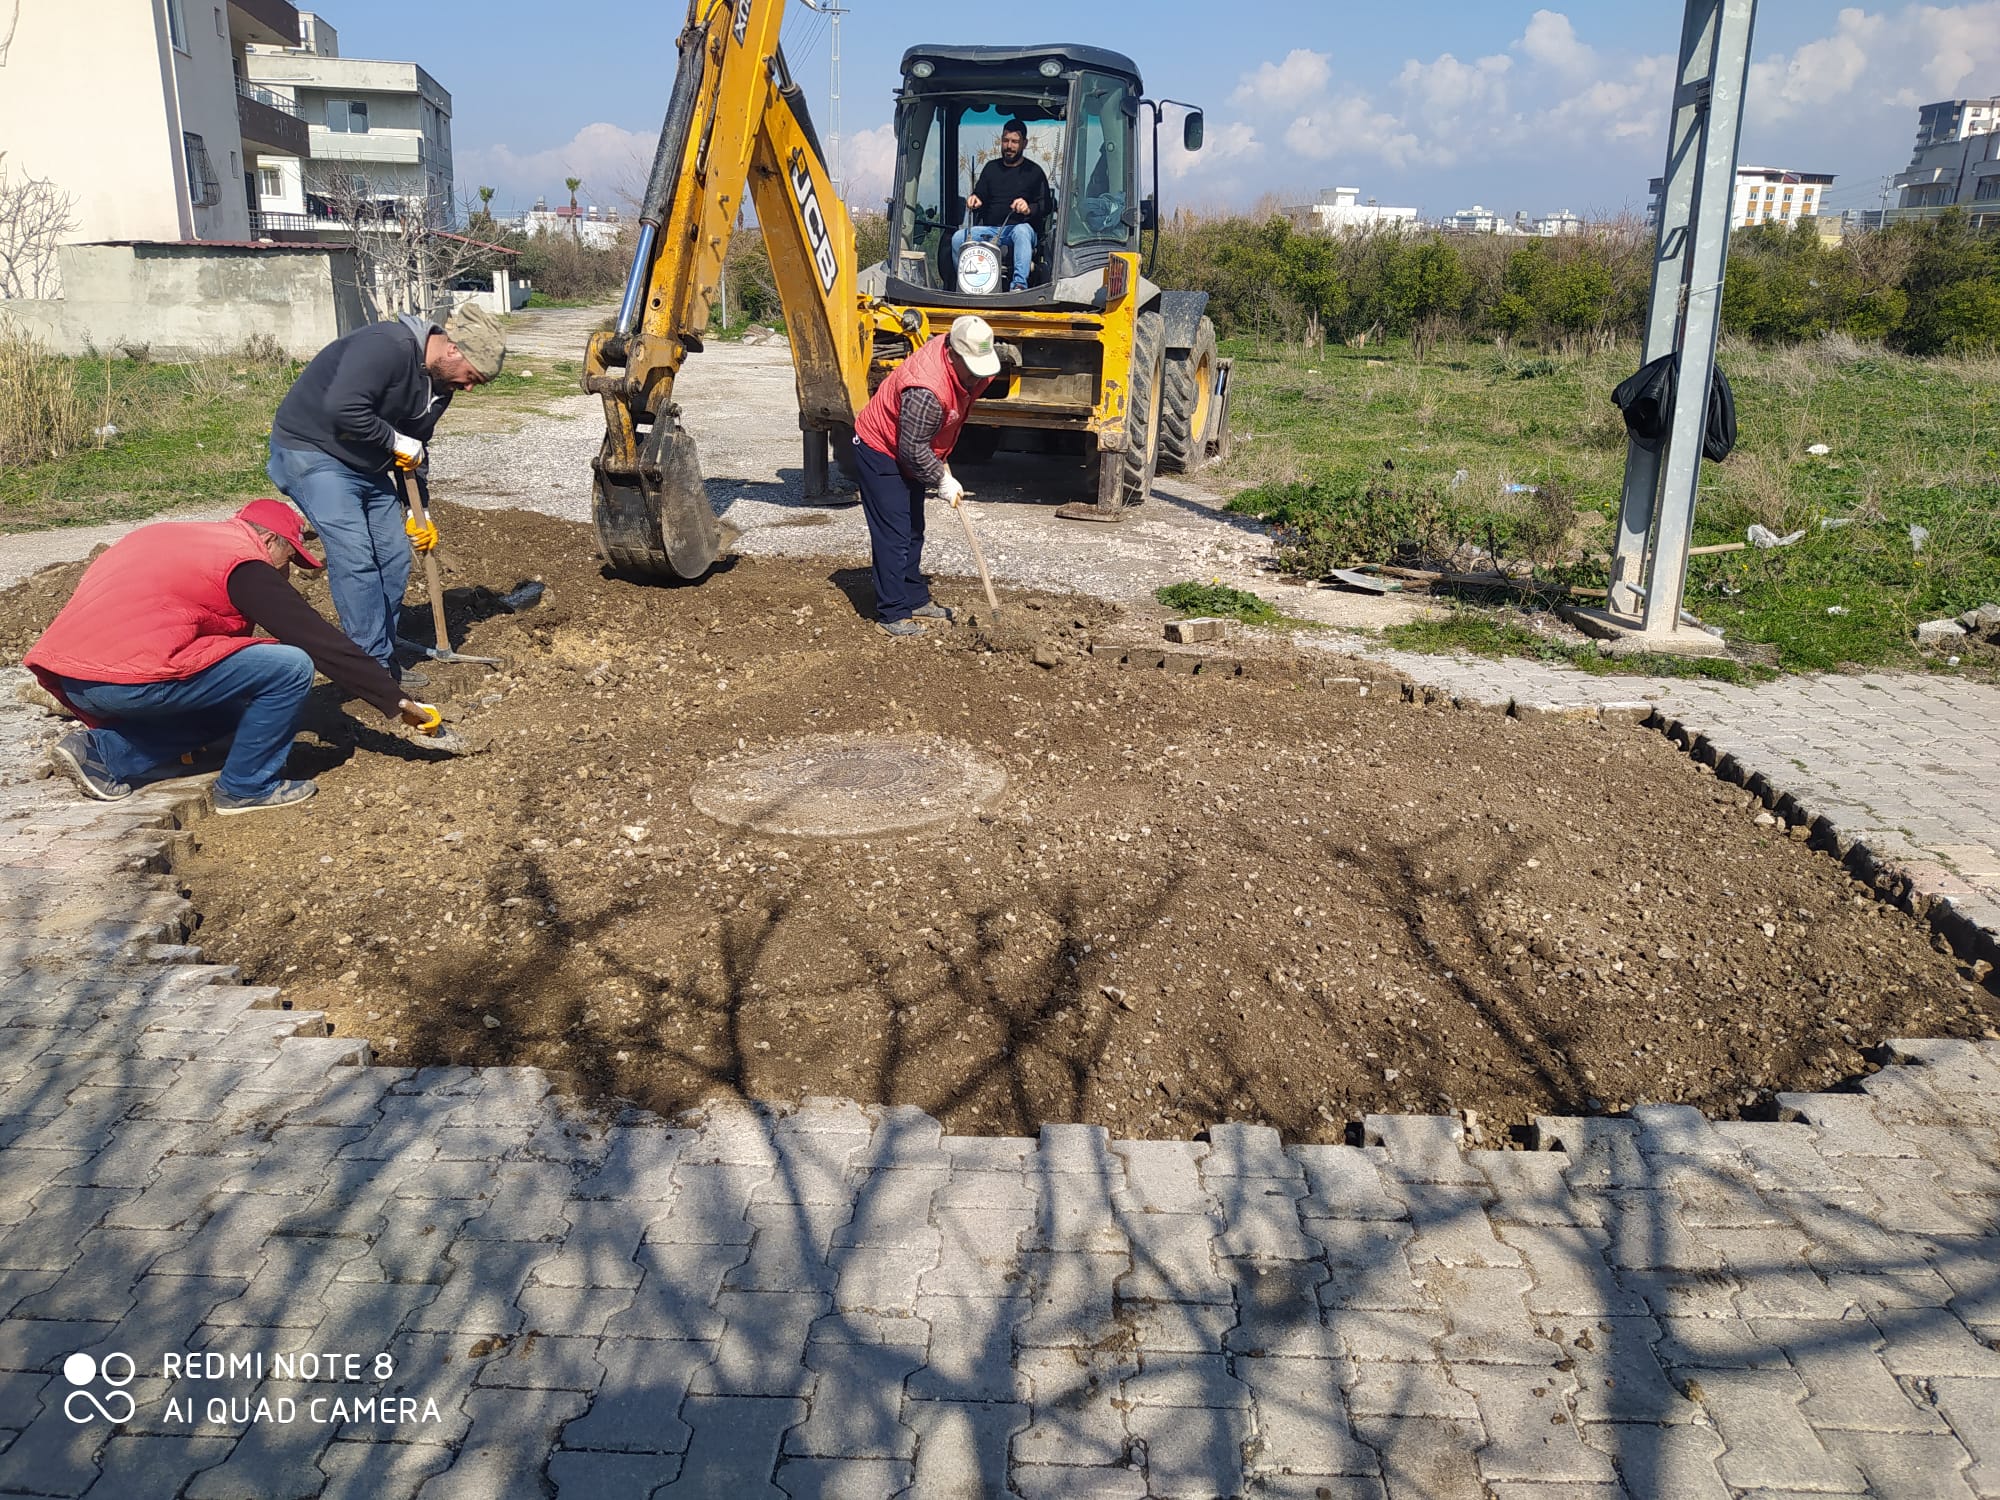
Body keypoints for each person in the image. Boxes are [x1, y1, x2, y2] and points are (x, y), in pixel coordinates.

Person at [26, 500, 459, 815]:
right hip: (132, 681)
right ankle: (247, 788)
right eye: (288, 558)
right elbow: (318, 641)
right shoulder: (242, 562)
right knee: (289, 667)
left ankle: (103, 753)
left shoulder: (166, 536)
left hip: (74, 679)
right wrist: (393, 700)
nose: (286, 572)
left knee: (240, 705)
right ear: (268, 539)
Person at [265, 303, 507, 685]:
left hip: (364, 461)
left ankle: (382, 646)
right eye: (471, 376)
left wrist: (418, 510)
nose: (470, 386)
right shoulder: (385, 346)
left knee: (394, 557)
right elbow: (342, 408)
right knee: (356, 555)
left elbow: (415, 448)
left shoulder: (440, 386)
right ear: (454, 350)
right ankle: (371, 668)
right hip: (311, 450)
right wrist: (394, 440)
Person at [850, 316, 1002, 636]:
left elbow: (931, 433)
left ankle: (913, 596)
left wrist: (940, 456)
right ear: (953, 354)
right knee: (894, 532)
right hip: (881, 448)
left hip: (913, 446)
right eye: (973, 368)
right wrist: (942, 479)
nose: (979, 377)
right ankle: (892, 613)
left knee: (914, 528)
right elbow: (911, 451)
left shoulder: (970, 367)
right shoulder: (927, 389)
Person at [951, 119, 1049, 293]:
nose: (1009, 146)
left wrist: (1028, 208)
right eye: (1005, 140)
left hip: (1020, 231)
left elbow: (1045, 205)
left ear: (1024, 144)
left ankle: (1019, 285)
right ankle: (967, 283)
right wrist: (975, 199)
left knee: (1021, 231)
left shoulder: (1034, 172)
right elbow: (979, 195)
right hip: (990, 231)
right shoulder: (990, 168)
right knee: (958, 237)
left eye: (1014, 142)